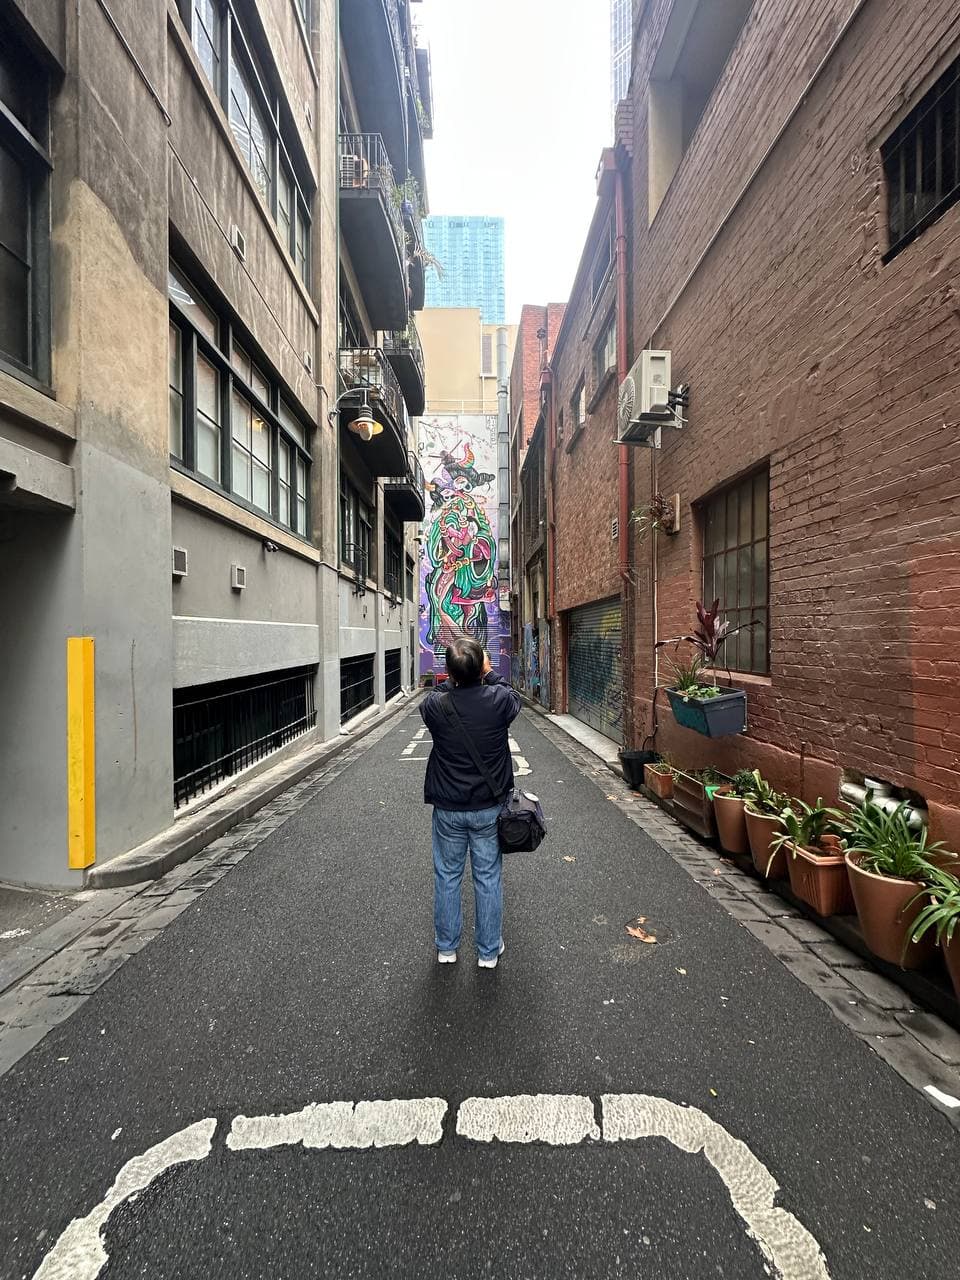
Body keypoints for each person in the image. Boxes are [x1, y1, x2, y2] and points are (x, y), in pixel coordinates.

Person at [420, 636, 521, 968]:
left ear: (449, 673)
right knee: (488, 876)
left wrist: (455, 677)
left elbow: (433, 695)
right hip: (489, 807)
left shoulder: (435, 706)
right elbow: (511, 694)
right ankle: (488, 951)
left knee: (447, 876)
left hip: (448, 807)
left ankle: (446, 948)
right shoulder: (498, 701)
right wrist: (487, 673)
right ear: (482, 668)